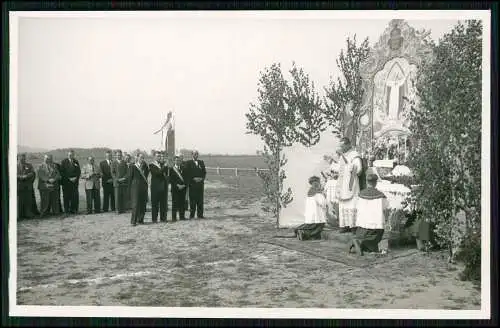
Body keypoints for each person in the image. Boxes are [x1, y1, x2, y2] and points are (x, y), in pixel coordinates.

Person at [349, 173, 388, 256]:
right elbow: (385, 207)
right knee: (376, 235)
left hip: (363, 221)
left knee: (363, 234)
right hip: (375, 222)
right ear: (376, 182)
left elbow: (355, 206)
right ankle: (362, 244)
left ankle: (358, 243)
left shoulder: (360, 194)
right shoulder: (381, 195)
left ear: (367, 182)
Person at [335, 137, 363, 233]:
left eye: (342, 146)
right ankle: (344, 225)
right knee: (343, 204)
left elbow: (358, 169)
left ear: (348, 145)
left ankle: (353, 226)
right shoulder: (342, 156)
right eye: (340, 146)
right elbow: (339, 168)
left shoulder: (354, 155)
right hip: (343, 184)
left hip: (351, 183)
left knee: (352, 203)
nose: (341, 148)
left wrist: (351, 167)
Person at [129, 152, 149, 226]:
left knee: (143, 204)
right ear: (137, 158)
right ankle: (133, 221)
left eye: (143, 158)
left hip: (143, 187)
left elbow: (146, 176)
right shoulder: (133, 166)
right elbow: (130, 178)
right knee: (135, 204)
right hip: (135, 188)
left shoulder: (145, 166)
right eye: (141, 157)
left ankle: (140, 220)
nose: (142, 159)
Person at [185, 150, 207, 219]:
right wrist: (193, 179)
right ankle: (192, 215)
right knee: (193, 201)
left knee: (200, 200)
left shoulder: (201, 162)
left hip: (200, 185)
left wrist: (201, 179)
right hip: (192, 185)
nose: (196, 155)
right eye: (194, 154)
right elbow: (187, 173)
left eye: (197, 154)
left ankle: (200, 215)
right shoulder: (188, 163)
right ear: (192, 155)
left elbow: (204, 172)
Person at [149, 151, 169, 223]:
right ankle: (154, 219)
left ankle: (163, 218)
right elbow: (158, 173)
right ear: (154, 157)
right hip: (155, 187)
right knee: (155, 204)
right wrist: (164, 166)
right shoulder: (151, 165)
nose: (159, 157)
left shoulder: (163, 164)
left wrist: (165, 166)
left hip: (163, 187)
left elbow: (166, 174)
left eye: (160, 156)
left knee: (163, 203)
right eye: (157, 156)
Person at [60, 150, 81, 214]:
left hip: (74, 183)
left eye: (72, 155)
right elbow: (62, 172)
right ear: (67, 155)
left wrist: (76, 178)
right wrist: (69, 178)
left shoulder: (76, 161)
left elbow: (78, 171)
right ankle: (66, 210)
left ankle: (73, 210)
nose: (71, 156)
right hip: (66, 183)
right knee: (66, 197)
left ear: (74, 155)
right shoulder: (63, 162)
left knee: (74, 197)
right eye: (69, 155)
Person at [17, 153, 37, 219]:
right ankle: (20, 215)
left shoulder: (29, 165)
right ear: (18, 158)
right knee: (20, 201)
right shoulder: (15, 166)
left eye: (24, 158)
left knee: (28, 201)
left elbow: (33, 173)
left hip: (28, 186)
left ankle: (28, 214)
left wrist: (27, 176)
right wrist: (21, 177)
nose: (23, 159)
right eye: (21, 158)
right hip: (20, 187)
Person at [111, 150, 129, 214]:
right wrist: (117, 179)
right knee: (117, 197)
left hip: (124, 182)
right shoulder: (113, 163)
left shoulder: (124, 163)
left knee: (123, 196)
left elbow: (127, 172)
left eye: (120, 155)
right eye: (118, 155)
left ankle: (123, 209)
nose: (119, 156)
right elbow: (112, 173)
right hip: (117, 182)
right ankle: (117, 209)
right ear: (116, 156)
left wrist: (124, 178)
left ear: (122, 156)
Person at [170, 155, 187, 221]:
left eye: (179, 160)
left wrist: (183, 185)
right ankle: (174, 218)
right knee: (175, 203)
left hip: (182, 188)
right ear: (174, 161)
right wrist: (177, 185)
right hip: (175, 189)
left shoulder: (183, 168)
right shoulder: (171, 169)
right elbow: (171, 180)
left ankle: (182, 216)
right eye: (176, 160)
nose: (177, 162)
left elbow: (186, 178)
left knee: (182, 203)